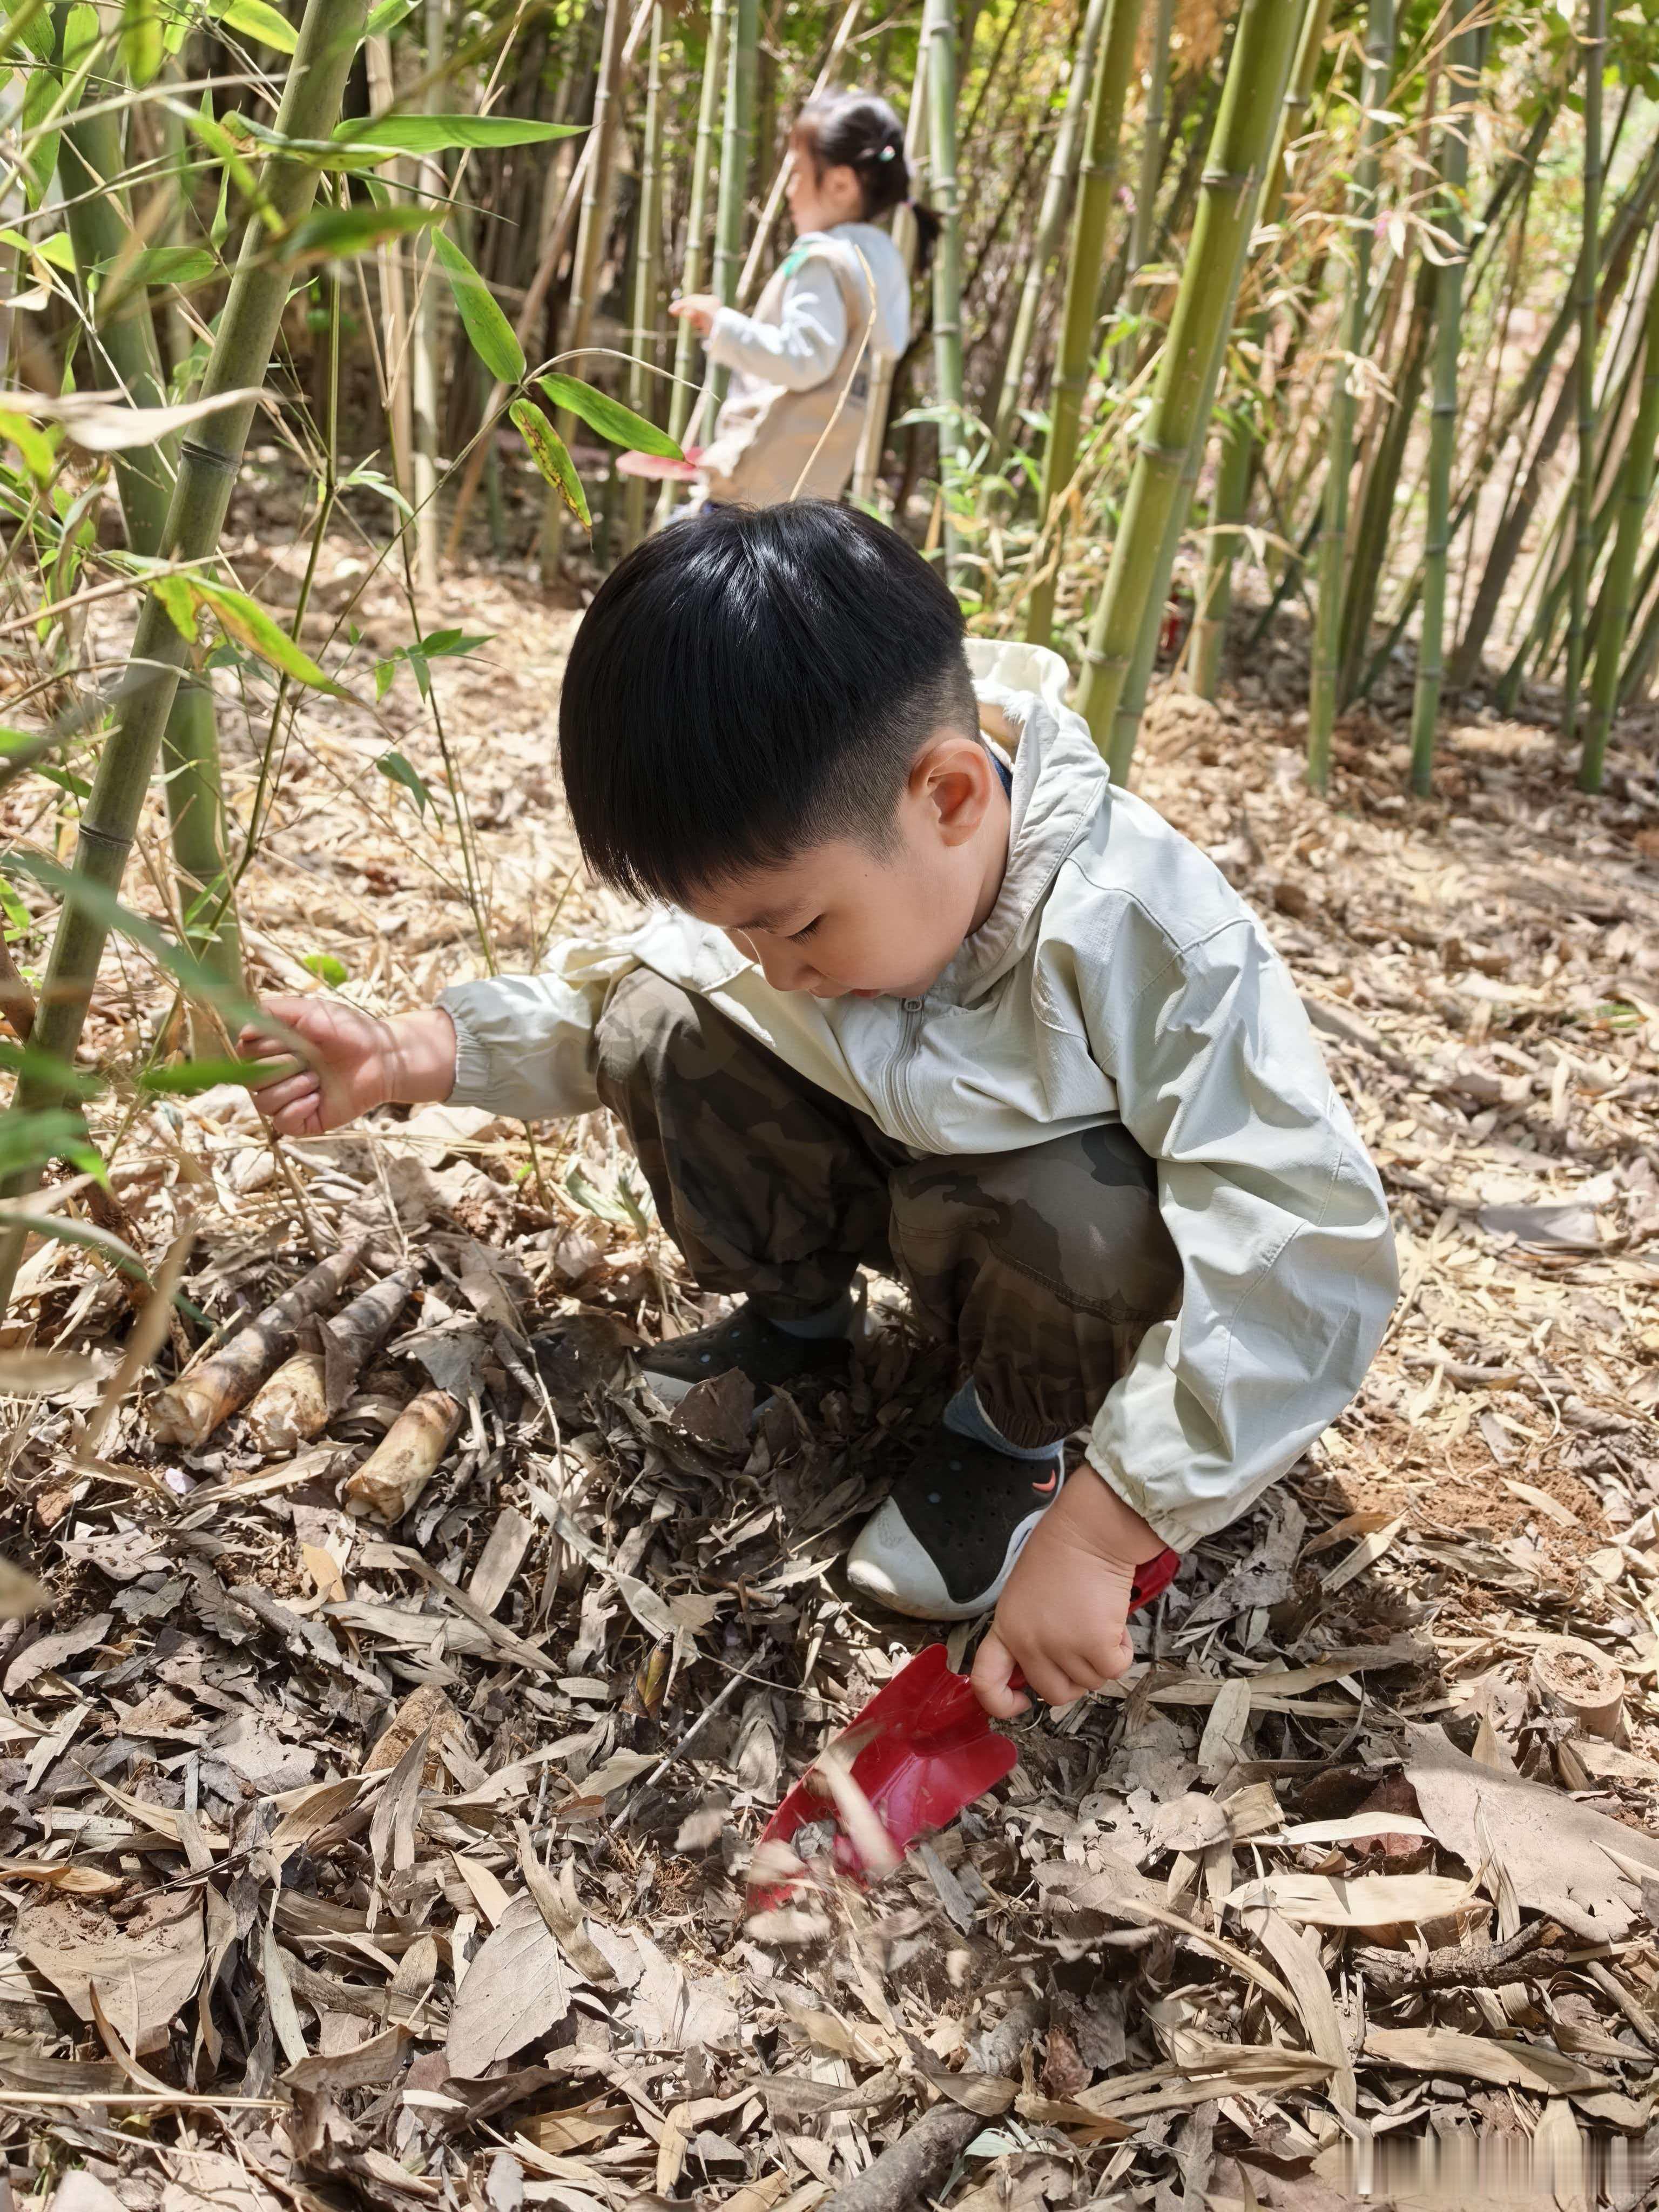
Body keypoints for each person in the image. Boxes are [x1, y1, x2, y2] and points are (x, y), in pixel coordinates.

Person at [244, 504, 1398, 1719]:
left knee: (1092, 1211)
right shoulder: (821, 850)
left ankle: (1008, 1435)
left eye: (794, 925)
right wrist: (406, 1055)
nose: (776, 962)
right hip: (896, 1177)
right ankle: (797, 1321)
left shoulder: (1145, 930)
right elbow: (603, 1011)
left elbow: (1301, 1244)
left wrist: (1111, 1530)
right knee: (661, 1018)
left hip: (1045, 1257)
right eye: (742, 926)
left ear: (951, 796)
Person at [668, 91, 934, 507]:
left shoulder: (823, 260)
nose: (789, 190)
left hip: (753, 476)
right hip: (811, 483)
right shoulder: (880, 258)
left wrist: (723, 325)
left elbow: (803, 358)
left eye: (796, 174)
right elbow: (888, 342)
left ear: (841, 184)